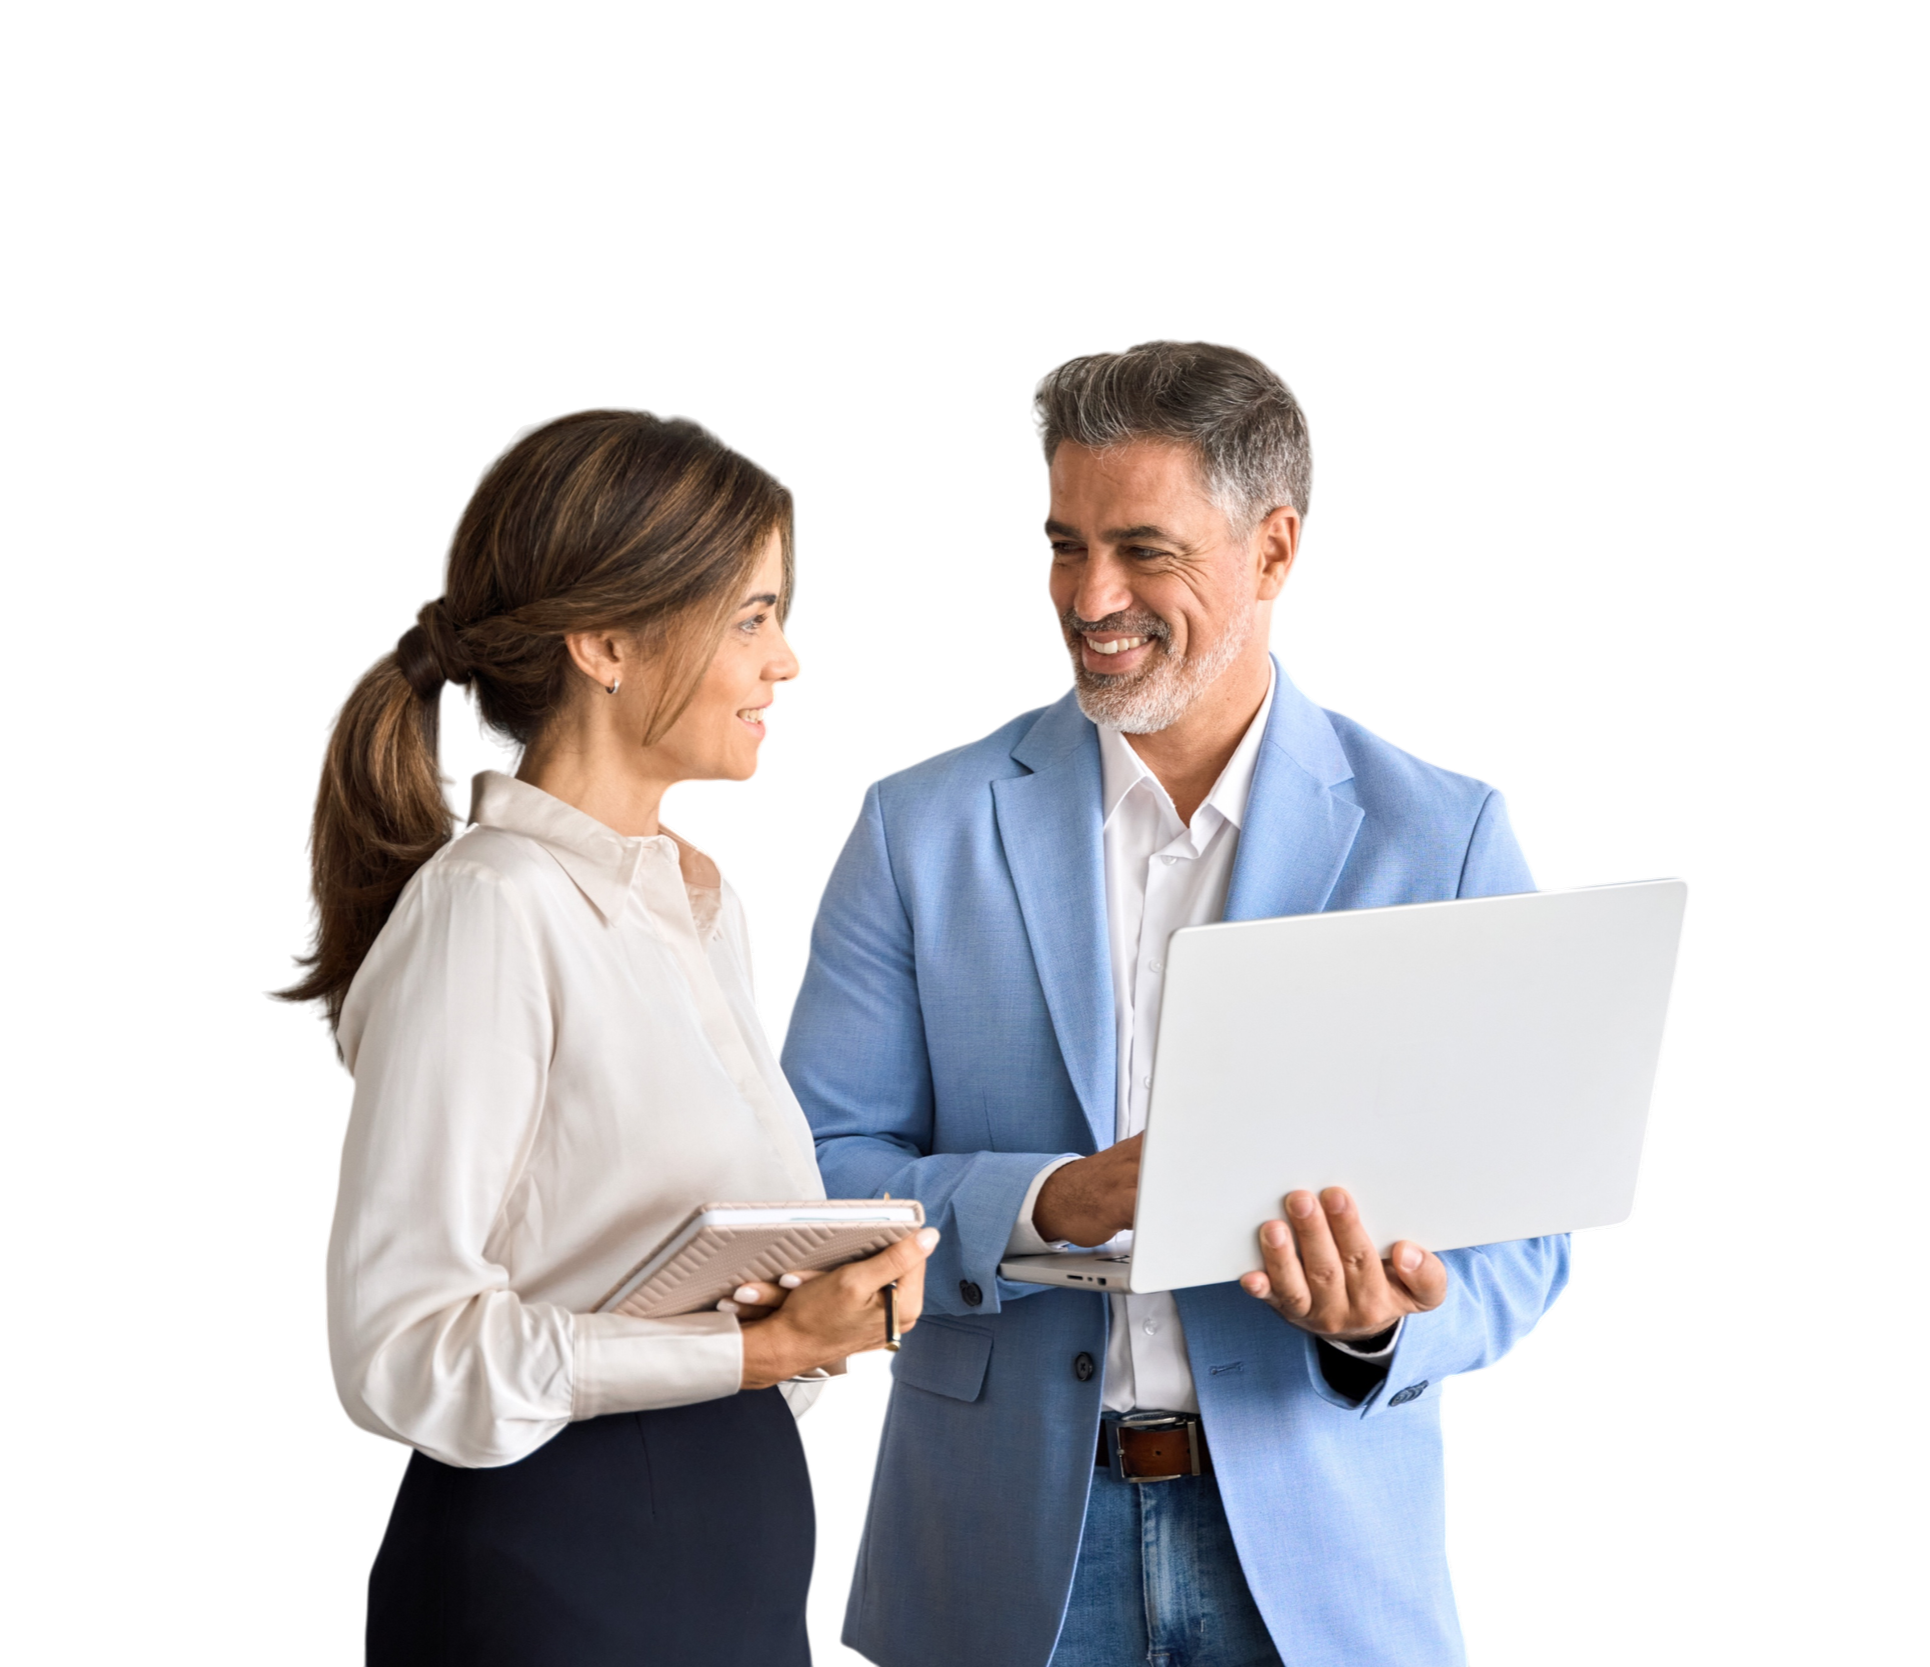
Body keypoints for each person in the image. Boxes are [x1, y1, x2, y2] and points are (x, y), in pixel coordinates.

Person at [778, 342, 1573, 1667]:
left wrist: (1377, 1320)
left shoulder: (1441, 833)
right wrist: (1047, 1199)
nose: (1087, 599)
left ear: (1273, 550)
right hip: (995, 1546)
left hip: (1320, 1554)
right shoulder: (920, 825)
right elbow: (815, 1171)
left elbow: (1526, 1235)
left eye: (1144, 549)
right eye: (1063, 544)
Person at [268, 407, 938, 1667]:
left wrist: (816, 1316)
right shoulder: (490, 908)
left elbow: (727, 1290)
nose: (784, 665)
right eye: (751, 617)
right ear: (606, 641)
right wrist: (748, 1345)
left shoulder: (697, 892)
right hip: (555, 1581)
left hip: (727, 1555)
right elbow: (398, 1351)